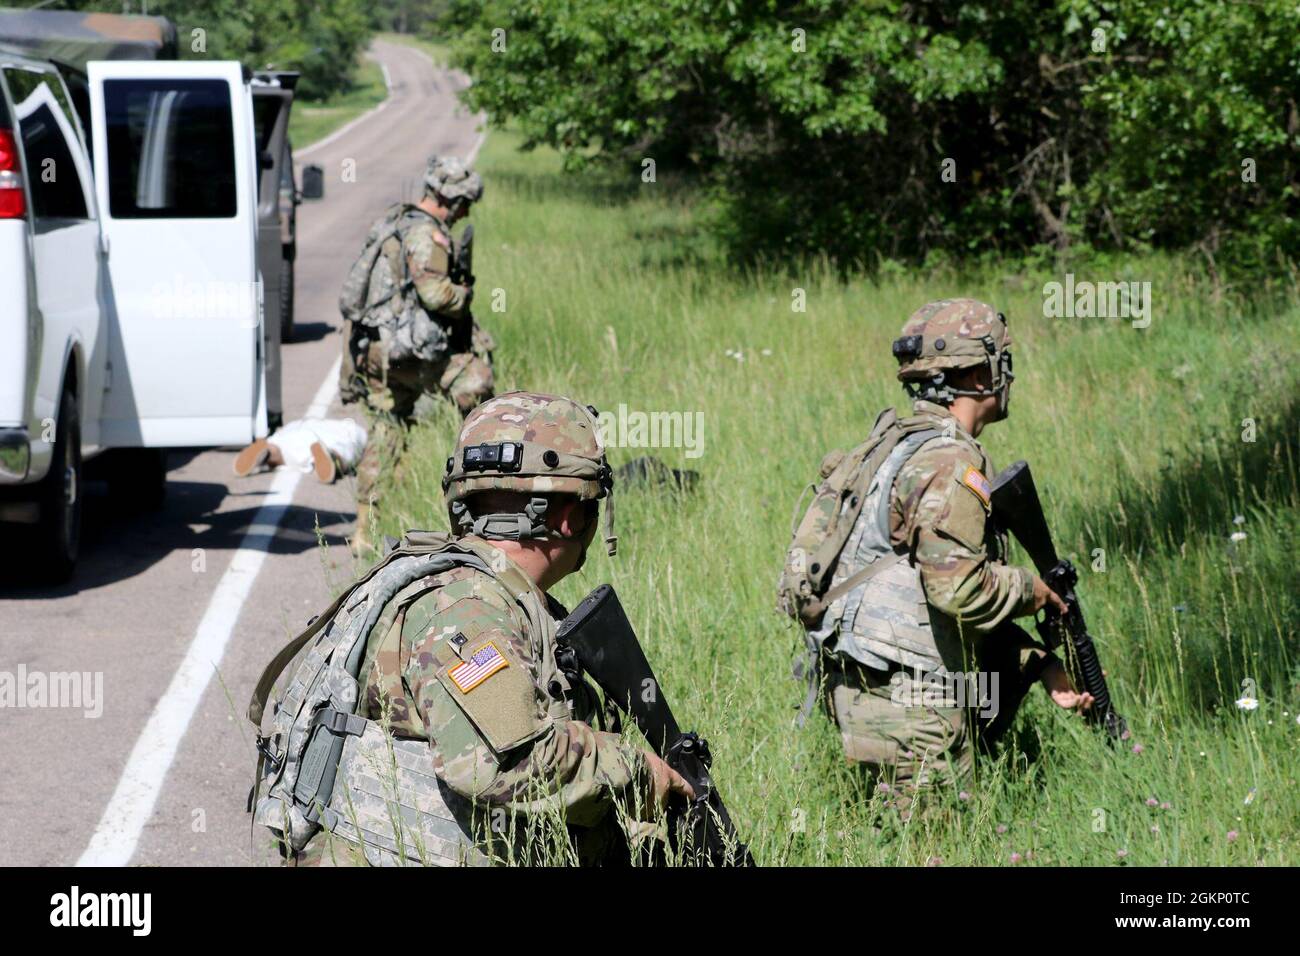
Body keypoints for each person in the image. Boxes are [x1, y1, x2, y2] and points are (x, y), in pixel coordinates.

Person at [287, 391, 693, 866]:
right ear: (570, 516)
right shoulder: (467, 612)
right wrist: (640, 773)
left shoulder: (479, 589)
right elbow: (502, 762)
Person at [786, 299, 1092, 810]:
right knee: (936, 843)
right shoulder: (951, 460)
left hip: (862, 678)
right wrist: (1032, 591)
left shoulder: (895, 442)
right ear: (976, 373)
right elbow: (955, 589)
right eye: (1000, 364)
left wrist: (1036, 663)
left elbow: (924, 590)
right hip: (911, 703)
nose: (1007, 376)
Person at [341, 155, 496, 550]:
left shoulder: (395, 221)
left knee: (387, 428)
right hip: (407, 351)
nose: (465, 213)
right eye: (464, 204)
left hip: (378, 349)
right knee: (477, 381)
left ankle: (363, 531)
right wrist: (465, 295)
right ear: (452, 200)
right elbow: (435, 294)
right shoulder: (427, 235)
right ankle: (486, 475)